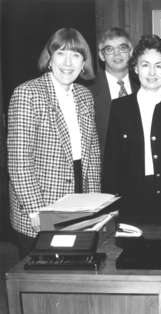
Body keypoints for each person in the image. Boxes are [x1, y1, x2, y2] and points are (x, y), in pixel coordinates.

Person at [7, 28, 101, 257]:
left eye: (76, 55)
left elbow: (93, 153)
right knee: (42, 283)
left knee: (75, 272)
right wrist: (36, 212)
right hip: (41, 204)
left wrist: (96, 205)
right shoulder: (27, 93)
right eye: (61, 53)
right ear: (49, 58)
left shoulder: (84, 95)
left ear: (84, 63)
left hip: (79, 201)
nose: (68, 62)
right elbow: (19, 162)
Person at [103, 35, 161, 225]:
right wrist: (110, 204)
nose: (152, 72)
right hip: (129, 202)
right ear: (136, 69)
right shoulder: (120, 107)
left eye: (159, 65)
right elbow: (112, 161)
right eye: (145, 65)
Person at [87, 27, 138, 155]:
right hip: (103, 170)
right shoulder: (88, 93)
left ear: (131, 52)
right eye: (109, 49)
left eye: (122, 48)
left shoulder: (145, 87)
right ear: (101, 55)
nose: (117, 54)